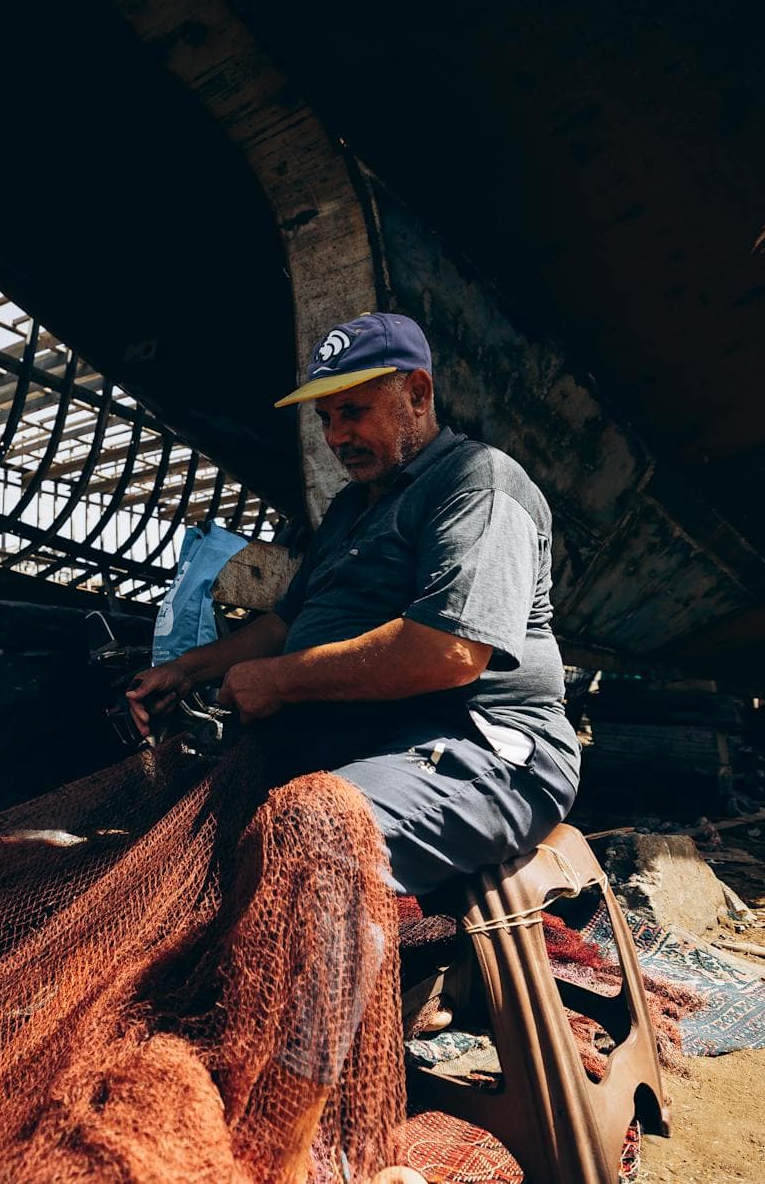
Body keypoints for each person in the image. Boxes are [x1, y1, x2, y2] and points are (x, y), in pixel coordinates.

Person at [126, 311, 580, 898]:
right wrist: (187, 669)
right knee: (169, 836)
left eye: (354, 411)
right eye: (325, 419)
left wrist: (280, 682)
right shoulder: (350, 510)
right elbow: (283, 625)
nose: (336, 436)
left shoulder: (476, 482)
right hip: (366, 740)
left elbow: (450, 651)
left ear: (417, 392)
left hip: (479, 743)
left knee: (314, 839)